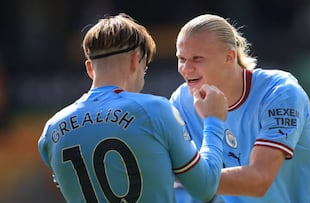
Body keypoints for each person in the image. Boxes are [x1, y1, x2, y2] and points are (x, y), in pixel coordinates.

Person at [38, 13, 229, 203]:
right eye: (145, 67)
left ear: (90, 68)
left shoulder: (51, 131)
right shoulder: (155, 110)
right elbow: (205, 188)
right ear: (135, 60)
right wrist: (213, 120)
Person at [170, 14, 310, 202]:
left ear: (229, 57)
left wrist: (190, 176)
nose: (186, 68)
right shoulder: (181, 102)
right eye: (181, 59)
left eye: (197, 58)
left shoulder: (280, 92)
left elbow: (259, 180)